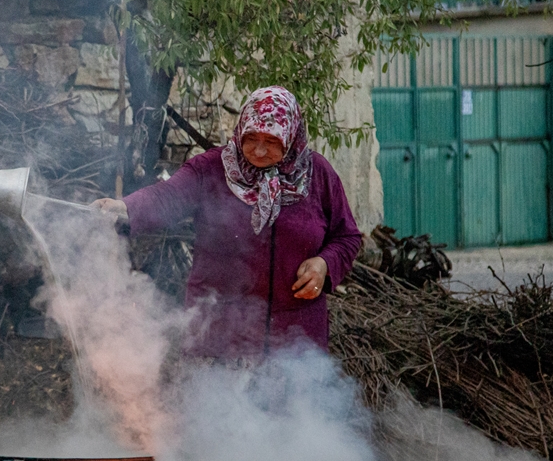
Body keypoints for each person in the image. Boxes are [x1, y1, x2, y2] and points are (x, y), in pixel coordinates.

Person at [94, 86, 363, 360]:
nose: (258, 150)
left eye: (271, 141)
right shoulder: (210, 169)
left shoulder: (316, 174)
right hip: (219, 336)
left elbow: (347, 237)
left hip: (297, 342)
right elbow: (167, 197)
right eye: (251, 138)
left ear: (291, 138)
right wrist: (124, 207)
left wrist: (324, 264)